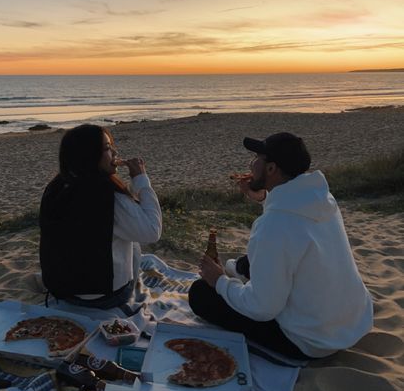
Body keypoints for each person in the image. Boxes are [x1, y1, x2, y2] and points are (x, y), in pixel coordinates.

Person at [189, 132, 373, 359]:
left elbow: (262, 308)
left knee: (200, 294)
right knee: (255, 261)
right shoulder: (322, 200)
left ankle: (224, 276)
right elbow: (289, 223)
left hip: (310, 340)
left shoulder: (273, 226)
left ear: (271, 169)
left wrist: (219, 281)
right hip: (351, 322)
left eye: (257, 157)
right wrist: (262, 198)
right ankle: (233, 269)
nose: (251, 163)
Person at [39, 123, 162, 310]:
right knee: (135, 244)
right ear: (89, 155)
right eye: (107, 148)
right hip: (105, 297)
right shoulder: (107, 196)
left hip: (63, 290)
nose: (114, 152)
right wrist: (141, 180)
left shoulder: (56, 188)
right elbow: (152, 231)